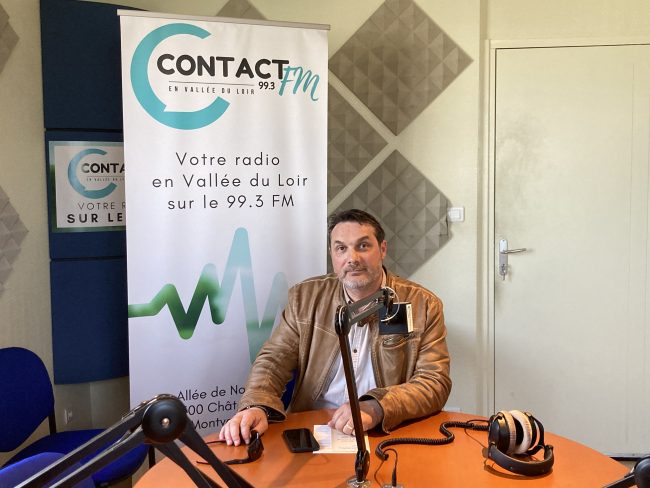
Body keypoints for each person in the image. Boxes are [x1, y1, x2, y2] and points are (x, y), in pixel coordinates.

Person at [219, 209, 451, 446]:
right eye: (341, 248)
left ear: (382, 249)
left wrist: (378, 406)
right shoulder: (305, 298)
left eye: (363, 246)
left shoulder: (423, 305)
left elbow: (434, 381)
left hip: (385, 429)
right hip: (315, 429)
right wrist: (257, 404)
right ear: (332, 254)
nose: (352, 258)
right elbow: (273, 361)